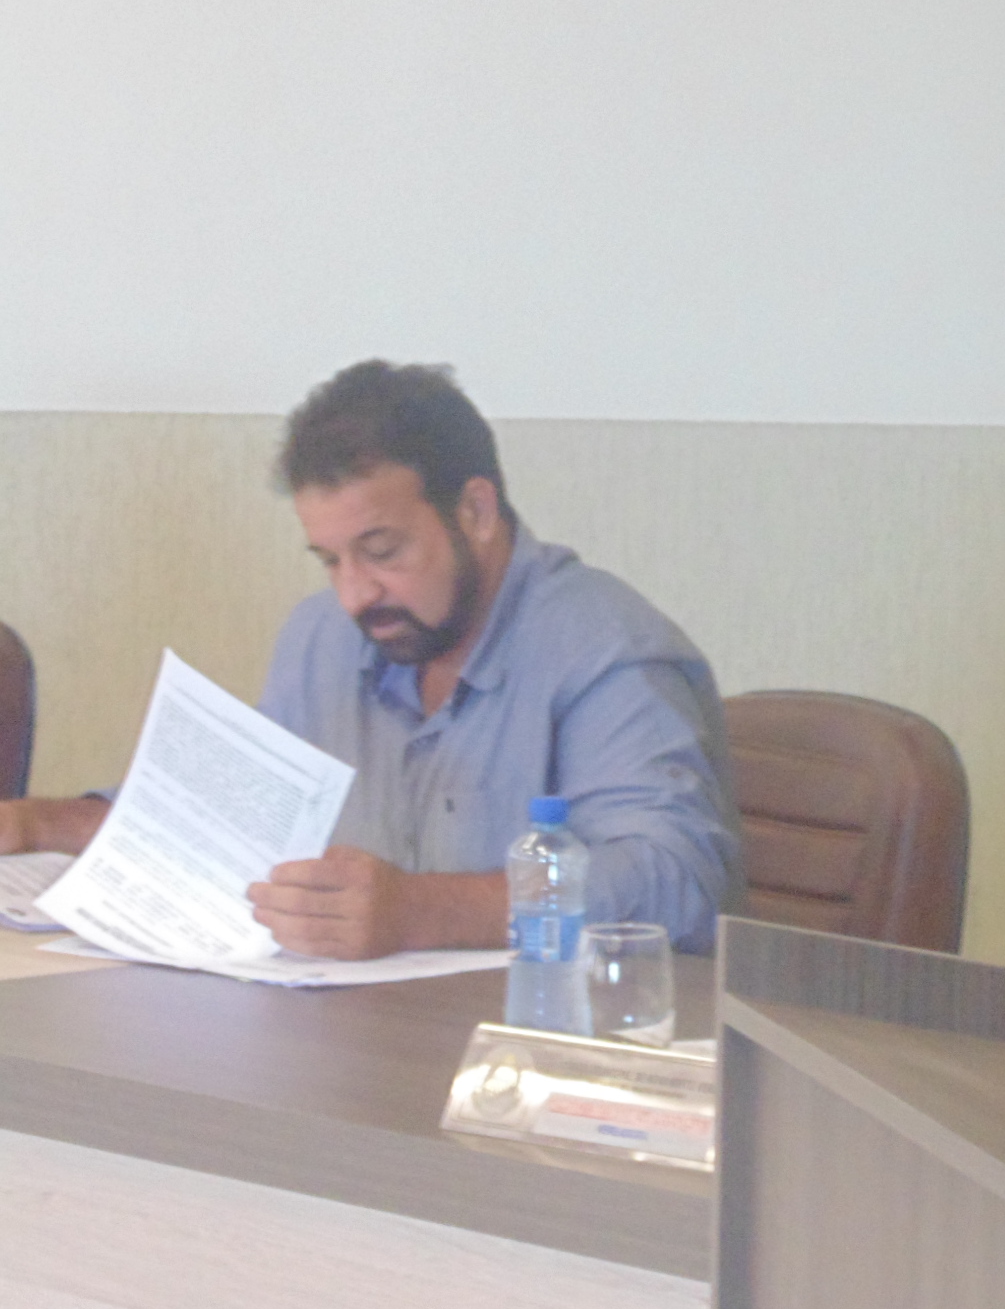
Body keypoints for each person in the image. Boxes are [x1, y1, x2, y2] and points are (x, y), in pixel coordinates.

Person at [0, 361, 744, 959]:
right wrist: (35, 826)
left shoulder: (609, 652)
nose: (355, 594)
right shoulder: (323, 636)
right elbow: (229, 817)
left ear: (476, 512)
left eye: (382, 551)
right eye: (330, 560)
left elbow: (679, 886)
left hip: (541, 1048)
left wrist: (422, 911)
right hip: (349, 1035)